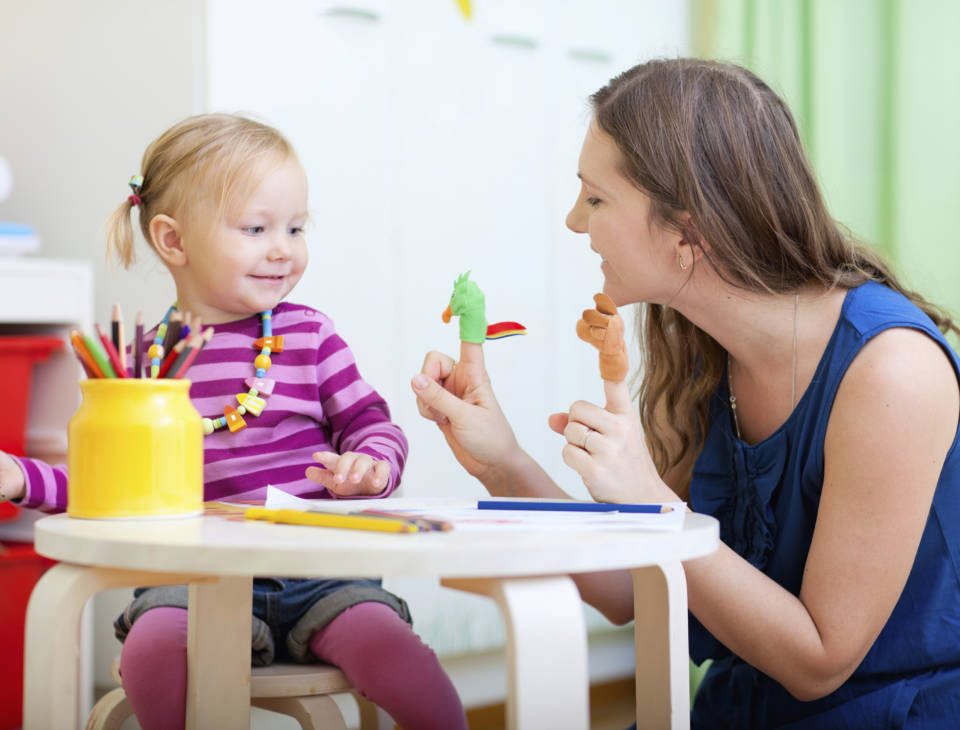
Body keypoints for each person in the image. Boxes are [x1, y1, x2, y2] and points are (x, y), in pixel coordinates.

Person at [411, 58, 960, 728]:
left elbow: (820, 662)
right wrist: (502, 460)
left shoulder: (892, 372)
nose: (573, 223)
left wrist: (650, 498)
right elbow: (629, 588)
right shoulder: (699, 351)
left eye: (595, 199)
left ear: (687, 232)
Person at [0, 113, 466, 730]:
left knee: (397, 656)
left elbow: (372, 424)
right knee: (150, 651)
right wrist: (22, 479)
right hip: (192, 580)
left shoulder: (308, 335)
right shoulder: (146, 362)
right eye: (256, 228)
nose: (284, 248)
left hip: (323, 576)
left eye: (296, 228)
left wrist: (370, 467)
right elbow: (109, 488)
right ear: (173, 242)